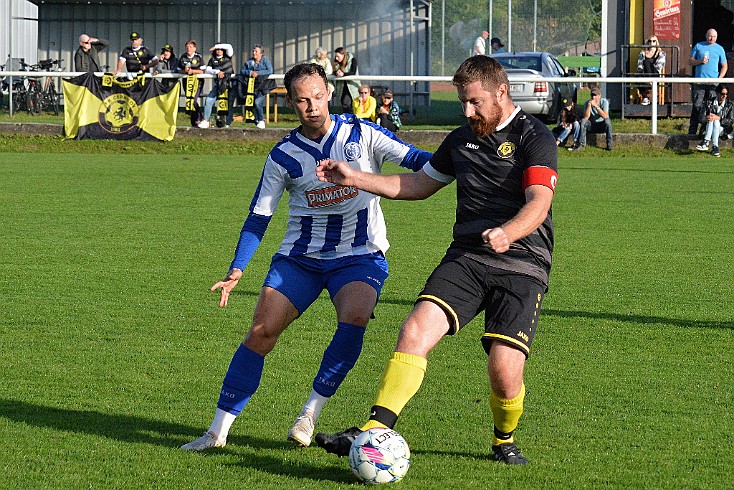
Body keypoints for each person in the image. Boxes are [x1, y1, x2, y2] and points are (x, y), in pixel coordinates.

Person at [313, 55, 558, 466]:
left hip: (523, 261)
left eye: (475, 101)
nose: (468, 111)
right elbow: (417, 184)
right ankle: (373, 432)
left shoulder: (535, 137)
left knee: (503, 368)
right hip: (467, 257)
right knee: (414, 329)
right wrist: (354, 177)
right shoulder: (461, 139)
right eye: (463, 101)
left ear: (501, 92)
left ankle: (504, 440)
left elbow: (539, 202)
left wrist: (508, 232)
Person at [179, 62, 432, 452]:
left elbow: (417, 160)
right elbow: (258, 217)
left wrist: (466, 156)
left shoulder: (362, 133)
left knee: (355, 317)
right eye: (301, 100)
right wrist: (237, 268)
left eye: (317, 96)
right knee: (261, 333)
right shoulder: (283, 156)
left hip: (359, 255)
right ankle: (217, 431)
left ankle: (310, 413)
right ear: (292, 103)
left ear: (329, 92)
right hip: (299, 259)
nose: (311, 105)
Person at [688, 29, 728, 136]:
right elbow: (690, 61)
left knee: (712, 107)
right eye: (710, 36)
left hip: (713, 84)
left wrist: (719, 79)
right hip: (699, 82)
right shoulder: (698, 46)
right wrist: (700, 61)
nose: (712, 39)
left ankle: (707, 131)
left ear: (717, 37)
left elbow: (724, 65)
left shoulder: (719, 48)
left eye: (714, 37)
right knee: (697, 106)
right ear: (706, 36)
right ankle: (692, 131)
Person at [238, 44, 274, 129]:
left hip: (263, 86)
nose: (254, 53)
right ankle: (257, 121)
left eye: (256, 51)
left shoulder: (265, 60)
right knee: (252, 103)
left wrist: (258, 73)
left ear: (261, 53)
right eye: (253, 51)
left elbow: (269, 70)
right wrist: (250, 73)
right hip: (252, 86)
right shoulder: (249, 61)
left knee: (258, 102)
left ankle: (261, 120)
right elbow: (242, 70)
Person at [200, 43, 235, 129]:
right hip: (219, 85)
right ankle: (206, 120)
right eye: (217, 49)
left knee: (228, 104)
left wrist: (216, 46)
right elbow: (208, 70)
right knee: (208, 100)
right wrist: (217, 72)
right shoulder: (212, 60)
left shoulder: (228, 56)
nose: (218, 50)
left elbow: (229, 47)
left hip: (229, 84)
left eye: (220, 49)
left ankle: (227, 123)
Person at [695, 83, 732, 158]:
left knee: (715, 120)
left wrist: (719, 118)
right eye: (722, 94)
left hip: (722, 129)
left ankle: (706, 141)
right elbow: (701, 118)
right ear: (717, 93)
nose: (724, 96)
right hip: (708, 127)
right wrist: (708, 117)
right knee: (712, 120)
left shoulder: (730, 105)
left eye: (726, 94)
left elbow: (730, 121)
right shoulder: (708, 102)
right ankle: (715, 147)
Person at [177, 39, 206, 127]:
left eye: (190, 46)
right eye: (187, 47)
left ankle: (199, 118)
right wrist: (184, 71)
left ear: (194, 48)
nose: (188, 48)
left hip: (197, 82)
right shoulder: (183, 57)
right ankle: (194, 122)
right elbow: (178, 70)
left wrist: (193, 71)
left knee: (193, 100)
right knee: (189, 99)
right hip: (187, 81)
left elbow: (203, 70)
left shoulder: (198, 57)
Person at [636, 35, 666, 105]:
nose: (651, 43)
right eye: (649, 41)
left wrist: (650, 78)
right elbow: (639, 65)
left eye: (653, 41)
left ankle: (649, 81)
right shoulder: (643, 53)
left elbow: (659, 66)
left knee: (647, 62)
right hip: (645, 75)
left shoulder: (661, 53)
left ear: (656, 43)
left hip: (655, 74)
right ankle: (645, 97)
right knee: (637, 77)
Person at [332, 47, 360, 113]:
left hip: (352, 87)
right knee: (345, 105)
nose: (336, 58)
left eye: (338, 56)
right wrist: (336, 73)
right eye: (335, 56)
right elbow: (333, 71)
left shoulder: (352, 60)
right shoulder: (336, 63)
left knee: (349, 105)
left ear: (343, 55)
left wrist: (343, 74)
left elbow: (353, 72)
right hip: (342, 88)